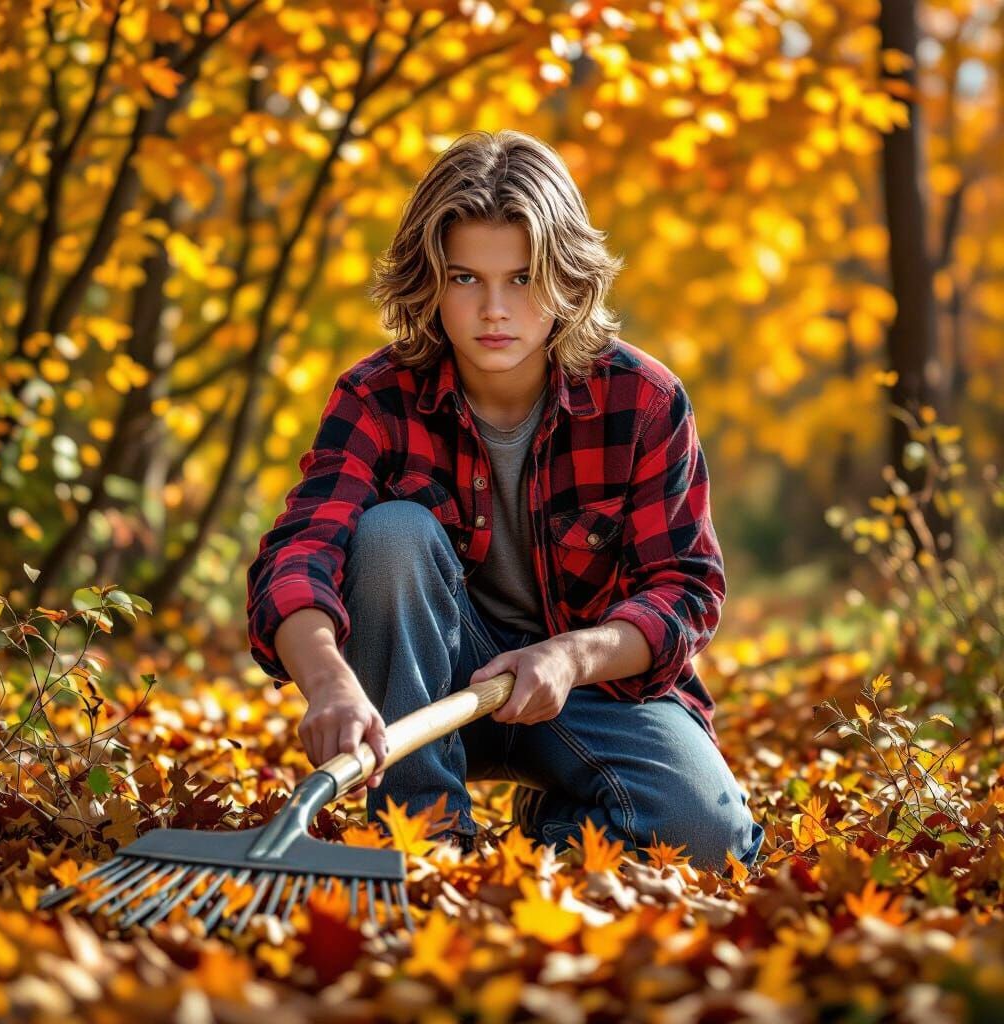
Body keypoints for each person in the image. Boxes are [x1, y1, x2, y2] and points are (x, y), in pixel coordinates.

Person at [246, 129, 765, 874]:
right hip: (424, 700)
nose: (495, 310)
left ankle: (553, 821)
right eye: (465, 279)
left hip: (588, 690)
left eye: (522, 279)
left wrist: (571, 655)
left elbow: (684, 590)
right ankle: (421, 834)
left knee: (706, 837)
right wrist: (328, 683)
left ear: (568, 280)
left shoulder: (642, 399)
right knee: (391, 533)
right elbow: (299, 553)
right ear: (428, 281)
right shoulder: (376, 395)